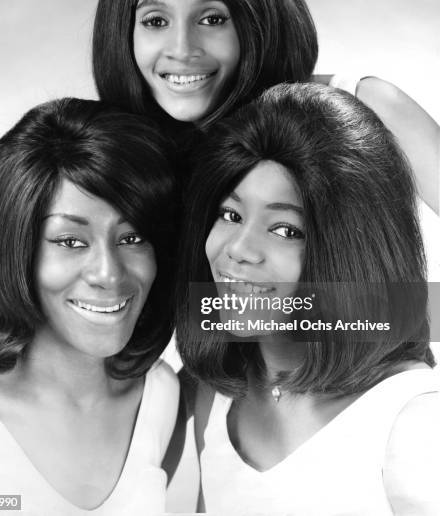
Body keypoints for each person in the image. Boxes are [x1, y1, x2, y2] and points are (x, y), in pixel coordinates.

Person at [175, 83, 440, 515]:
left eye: (285, 230)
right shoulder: (219, 398)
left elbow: (381, 98)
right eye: (230, 214)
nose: (239, 249)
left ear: (350, 256)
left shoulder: (413, 423)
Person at [92, 0, 439, 216]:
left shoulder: (369, 105)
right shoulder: (129, 159)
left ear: (258, 23)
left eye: (212, 19)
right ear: (122, 33)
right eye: (155, 21)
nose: (182, 49)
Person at [0, 99, 179, 515]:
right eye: (71, 242)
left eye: (132, 239)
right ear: (11, 245)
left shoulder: (161, 395)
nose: (109, 274)